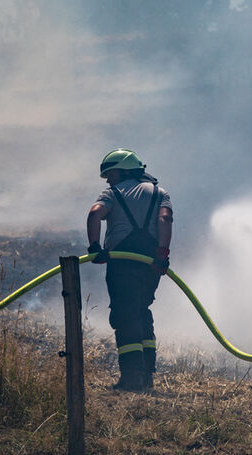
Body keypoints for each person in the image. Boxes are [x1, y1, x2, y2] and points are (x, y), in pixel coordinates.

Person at [87, 149, 173, 391]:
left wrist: (95, 247)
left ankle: (132, 378)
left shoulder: (113, 193)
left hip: (121, 262)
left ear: (124, 171)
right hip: (150, 262)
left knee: (125, 315)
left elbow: (94, 214)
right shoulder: (160, 193)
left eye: (110, 174)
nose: (107, 180)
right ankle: (147, 375)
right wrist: (163, 255)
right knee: (142, 310)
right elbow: (165, 220)